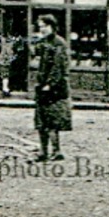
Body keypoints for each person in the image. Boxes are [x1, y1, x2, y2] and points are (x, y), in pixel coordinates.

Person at [32, 15, 72, 162]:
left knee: (52, 122)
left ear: (52, 26)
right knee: (41, 122)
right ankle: (43, 152)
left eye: (44, 26)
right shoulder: (45, 42)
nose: (41, 29)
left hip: (54, 90)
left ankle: (56, 151)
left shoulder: (59, 43)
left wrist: (50, 84)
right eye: (40, 27)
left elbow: (58, 67)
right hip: (42, 86)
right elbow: (36, 55)